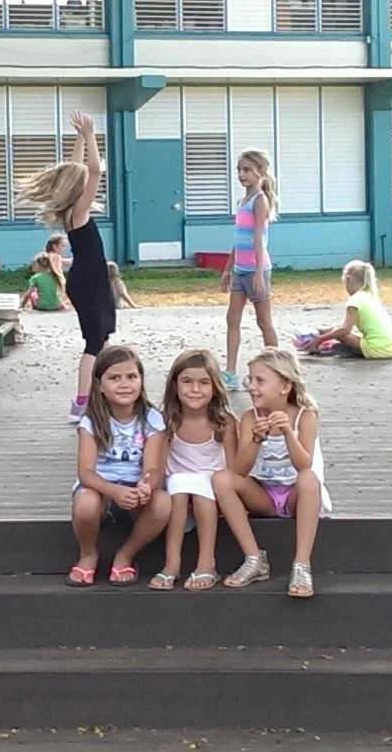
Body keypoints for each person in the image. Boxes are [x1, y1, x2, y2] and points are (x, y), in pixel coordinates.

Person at [19, 110, 116, 419]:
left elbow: (78, 171)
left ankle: (92, 396)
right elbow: (95, 172)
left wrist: (78, 139)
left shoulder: (71, 210)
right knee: (93, 343)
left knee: (100, 339)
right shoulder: (78, 212)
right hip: (88, 280)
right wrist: (90, 136)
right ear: (78, 188)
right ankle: (82, 403)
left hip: (90, 278)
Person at [214, 348, 329, 598]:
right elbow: (240, 470)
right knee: (222, 479)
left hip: (296, 497)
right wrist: (256, 439)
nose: (251, 387)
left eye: (259, 381)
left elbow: (304, 465)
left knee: (310, 478)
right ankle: (254, 558)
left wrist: (288, 433)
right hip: (263, 496)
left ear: (285, 386)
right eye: (250, 379)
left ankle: (301, 564)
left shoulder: (304, 417)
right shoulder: (249, 418)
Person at [139, 348, 254, 592]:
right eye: (187, 382)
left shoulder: (224, 423)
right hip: (178, 498)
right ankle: (172, 562)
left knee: (198, 484)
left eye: (204, 383)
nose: (195, 390)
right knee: (180, 482)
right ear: (175, 385)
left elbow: (233, 470)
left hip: (212, 497)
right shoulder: (167, 421)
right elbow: (158, 468)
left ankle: (207, 562)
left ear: (215, 387)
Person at [66, 346, 169, 587]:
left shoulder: (152, 418)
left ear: (141, 381)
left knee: (163, 502)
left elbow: (154, 468)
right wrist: (114, 491)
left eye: (132, 377)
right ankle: (88, 554)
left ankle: (125, 555)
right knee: (86, 503)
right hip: (100, 487)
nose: (124, 384)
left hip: (135, 488)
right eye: (114, 378)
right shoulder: (91, 420)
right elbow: (86, 473)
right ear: (99, 385)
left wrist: (146, 485)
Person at [223, 150, 281, 389]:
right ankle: (230, 372)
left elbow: (258, 238)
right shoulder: (242, 202)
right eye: (239, 170)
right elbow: (239, 239)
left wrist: (258, 272)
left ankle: (279, 368)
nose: (241, 175)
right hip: (240, 270)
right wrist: (228, 270)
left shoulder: (260, 201)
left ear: (260, 172)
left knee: (263, 321)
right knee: (232, 318)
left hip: (257, 271)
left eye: (246, 170)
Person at [301, 260, 392, 360]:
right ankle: (353, 348)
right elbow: (343, 327)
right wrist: (323, 331)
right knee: (337, 331)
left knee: (341, 333)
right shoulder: (370, 295)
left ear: (348, 280)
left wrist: (320, 339)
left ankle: (352, 350)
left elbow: (345, 329)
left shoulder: (355, 300)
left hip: (378, 349)